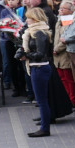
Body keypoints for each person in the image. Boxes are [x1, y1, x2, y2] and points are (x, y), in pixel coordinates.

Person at [18, 8, 54, 136]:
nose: (26, 20)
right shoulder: (31, 31)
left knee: (42, 101)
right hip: (36, 67)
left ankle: (45, 128)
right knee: (41, 100)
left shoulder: (39, 32)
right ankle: (45, 126)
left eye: (29, 18)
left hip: (40, 67)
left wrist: (26, 55)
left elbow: (40, 53)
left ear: (35, 19)